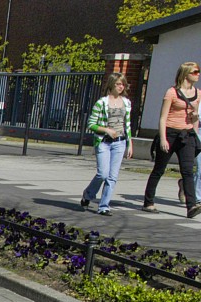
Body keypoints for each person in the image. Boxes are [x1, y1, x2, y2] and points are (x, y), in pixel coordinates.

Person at [143, 61, 200, 217]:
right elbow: (163, 118)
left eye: (198, 71)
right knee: (159, 169)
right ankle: (148, 202)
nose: (198, 74)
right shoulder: (172, 93)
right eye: (195, 72)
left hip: (186, 135)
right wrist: (163, 138)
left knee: (188, 171)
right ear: (185, 74)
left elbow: (194, 118)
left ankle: (191, 206)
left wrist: (194, 134)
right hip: (170, 133)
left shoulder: (198, 93)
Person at [80, 73, 134, 217]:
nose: (121, 87)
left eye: (123, 84)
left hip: (120, 142)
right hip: (104, 142)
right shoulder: (102, 103)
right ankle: (88, 194)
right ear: (111, 85)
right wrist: (106, 130)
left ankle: (104, 206)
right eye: (118, 84)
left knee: (112, 176)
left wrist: (130, 144)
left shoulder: (126, 103)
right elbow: (91, 124)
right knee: (103, 174)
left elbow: (127, 125)